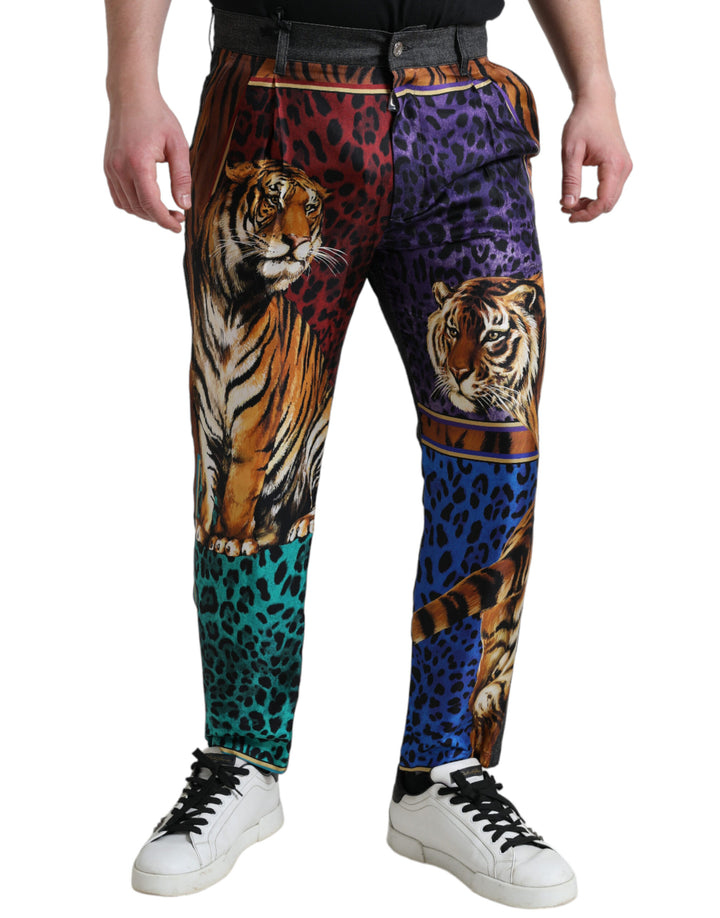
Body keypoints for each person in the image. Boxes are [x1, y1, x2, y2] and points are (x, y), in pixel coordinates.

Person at [104, 0, 631, 907]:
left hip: (464, 108)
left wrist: (598, 87)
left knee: (494, 453)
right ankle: (241, 759)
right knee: (251, 453)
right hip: (274, 97)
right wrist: (129, 85)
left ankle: (443, 769)